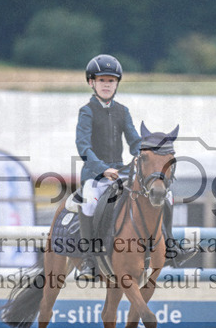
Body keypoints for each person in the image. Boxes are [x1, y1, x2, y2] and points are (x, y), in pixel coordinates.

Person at [67, 54, 196, 276]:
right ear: (91, 83)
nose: (106, 85)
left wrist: (148, 152)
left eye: (111, 81)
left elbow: (135, 141)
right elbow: (83, 147)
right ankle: (89, 257)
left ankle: (170, 245)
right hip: (95, 173)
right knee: (89, 199)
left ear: (117, 83)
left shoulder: (122, 111)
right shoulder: (86, 111)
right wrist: (102, 169)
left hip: (121, 169)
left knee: (166, 195)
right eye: (102, 80)